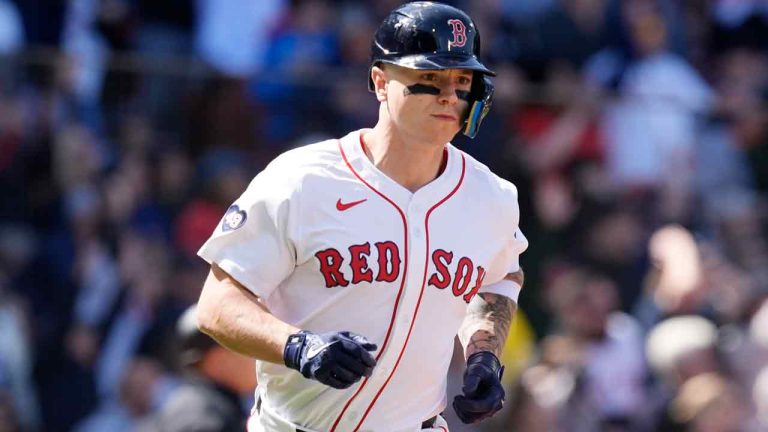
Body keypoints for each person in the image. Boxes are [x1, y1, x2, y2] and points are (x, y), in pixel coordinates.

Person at [195, 2, 529, 431]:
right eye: (430, 78)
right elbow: (218, 306)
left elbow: (499, 279)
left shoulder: (491, 198)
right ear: (380, 81)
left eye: (462, 81)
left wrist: (484, 353)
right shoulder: (303, 180)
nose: (449, 95)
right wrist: (298, 346)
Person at [143, 305, 256, 432]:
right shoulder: (205, 417)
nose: (258, 357)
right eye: (248, 346)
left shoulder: (193, 402)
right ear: (218, 359)